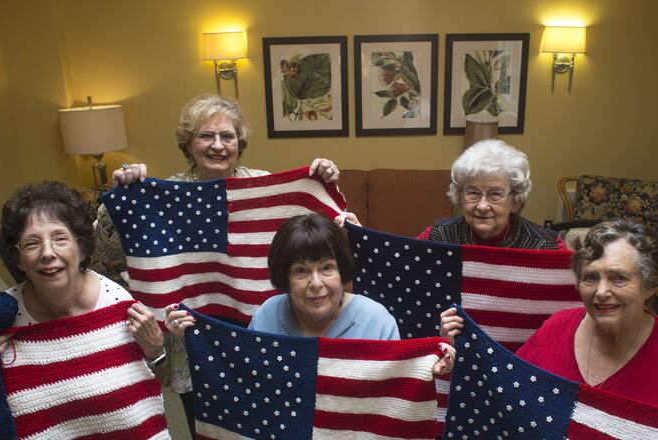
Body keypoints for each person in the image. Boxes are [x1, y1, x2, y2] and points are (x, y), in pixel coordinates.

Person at [91, 93, 343, 437]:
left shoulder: (264, 185)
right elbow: (105, 248)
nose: (218, 145)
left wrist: (324, 180)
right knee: (211, 429)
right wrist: (123, 193)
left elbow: (321, 236)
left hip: (262, 333)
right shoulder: (165, 194)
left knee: (272, 426)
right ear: (188, 144)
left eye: (227, 136)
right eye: (206, 136)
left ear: (240, 142)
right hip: (194, 341)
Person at [441, 219, 658, 421]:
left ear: (651, 286)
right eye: (590, 277)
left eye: (618, 278)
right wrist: (462, 356)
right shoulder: (557, 329)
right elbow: (508, 390)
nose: (601, 292)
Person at [0, 182, 165, 416]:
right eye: (32, 243)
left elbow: (154, 387)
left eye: (60, 239)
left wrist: (156, 352)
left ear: (83, 249)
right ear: (17, 259)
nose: (47, 253)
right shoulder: (1, 313)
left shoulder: (116, 302)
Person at [167, 213, 454, 375]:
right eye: (301, 271)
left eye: (327, 268)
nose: (316, 283)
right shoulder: (268, 313)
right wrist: (193, 336)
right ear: (285, 277)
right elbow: (246, 375)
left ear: (343, 271)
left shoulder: (377, 321)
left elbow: (397, 392)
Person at [417, 139, 563, 249]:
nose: (482, 206)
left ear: (515, 201)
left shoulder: (545, 245)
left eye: (495, 194)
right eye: (473, 193)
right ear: (461, 196)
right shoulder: (438, 236)